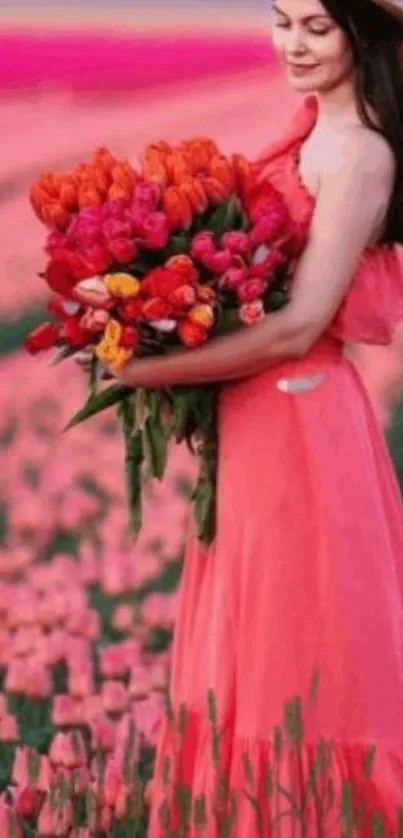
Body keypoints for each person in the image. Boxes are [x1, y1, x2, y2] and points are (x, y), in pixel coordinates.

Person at [78, 0, 403, 833]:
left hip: (304, 423)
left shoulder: (360, 155)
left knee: (299, 647)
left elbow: (296, 326)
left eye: (315, 26)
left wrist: (149, 366)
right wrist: (138, 299)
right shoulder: (298, 136)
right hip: (252, 419)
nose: (291, 43)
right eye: (280, 20)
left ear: (359, 35)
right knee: (245, 639)